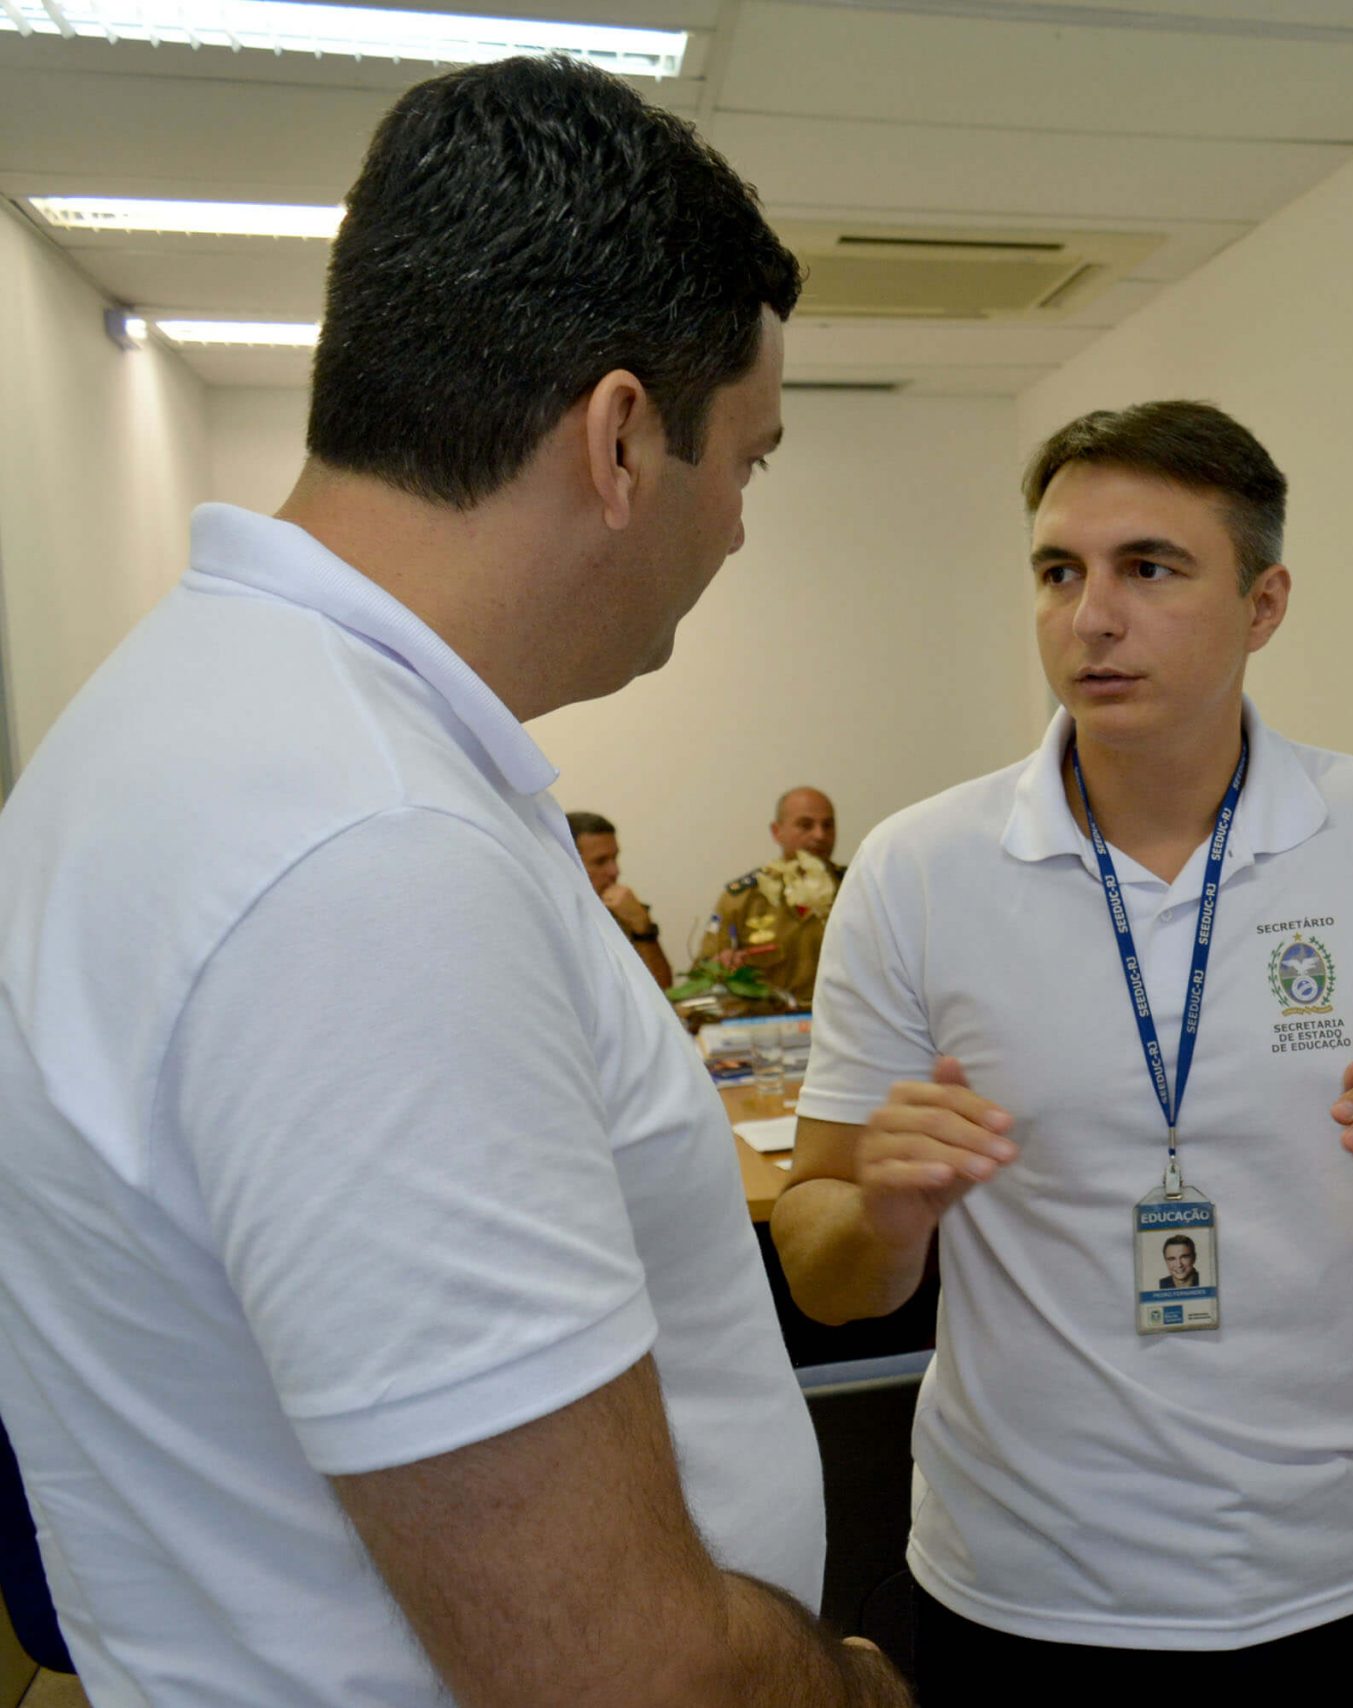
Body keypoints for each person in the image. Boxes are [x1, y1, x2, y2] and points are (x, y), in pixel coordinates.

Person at [0, 55, 905, 1707]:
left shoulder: (188, 720)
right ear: (623, 437)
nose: (740, 533)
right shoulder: (364, 854)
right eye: (750, 464)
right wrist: (844, 1683)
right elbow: (613, 1675)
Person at [771, 400, 1353, 1698]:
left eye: (1149, 568)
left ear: (1265, 605)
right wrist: (886, 1216)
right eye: (1058, 572)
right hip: (1026, 1585)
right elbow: (822, 1267)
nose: (1091, 615)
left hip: (1338, 1569)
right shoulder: (920, 869)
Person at [699, 785, 843, 1004]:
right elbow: (703, 975)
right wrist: (723, 967)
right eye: (806, 825)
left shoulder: (854, 890)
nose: (820, 835)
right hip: (766, 1025)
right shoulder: (743, 898)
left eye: (828, 825)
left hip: (842, 1025)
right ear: (777, 831)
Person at [569, 809, 674, 988]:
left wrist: (642, 927)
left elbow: (662, 990)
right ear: (567, 862)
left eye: (615, 858)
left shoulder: (621, 909)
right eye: (600, 862)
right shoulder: (550, 918)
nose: (615, 871)